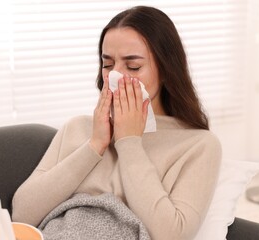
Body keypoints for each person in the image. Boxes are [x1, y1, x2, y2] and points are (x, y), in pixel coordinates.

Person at [12, 6, 221, 240]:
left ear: (166, 70)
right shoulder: (78, 128)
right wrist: (95, 145)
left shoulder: (198, 145)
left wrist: (128, 142)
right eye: (108, 65)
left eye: (133, 66)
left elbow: (170, 235)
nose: (116, 77)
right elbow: (21, 215)